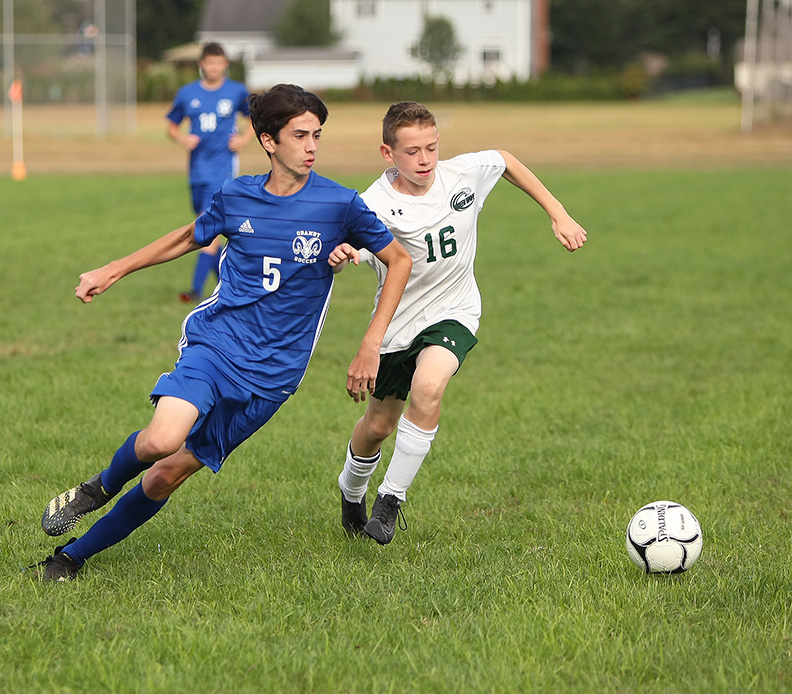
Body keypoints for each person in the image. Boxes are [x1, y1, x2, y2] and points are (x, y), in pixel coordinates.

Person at [31, 84, 412, 581]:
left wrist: (370, 343)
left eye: (317, 134)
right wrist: (113, 269)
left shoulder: (340, 204)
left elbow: (398, 260)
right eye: (300, 135)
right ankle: (98, 487)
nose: (312, 145)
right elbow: (190, 237)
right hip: (218, 345)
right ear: (268, 141)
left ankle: (70, 558)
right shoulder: (236, 196)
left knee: (167, 475)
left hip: (274, 376)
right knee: (160, 441)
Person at [336, 101, 587, 544]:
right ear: (387, 153)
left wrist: (557, 212)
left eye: (431, 147)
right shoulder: (371, 204)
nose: (425, 159)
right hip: (397, 325)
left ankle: (390, 501)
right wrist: (341, 256)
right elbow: (347, 251)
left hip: (455, 312)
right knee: (378, 425)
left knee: (430, 387)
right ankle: (351, 490)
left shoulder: (461, 174)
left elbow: (505, 160)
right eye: (412, 151)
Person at [166, 42, 255, 303]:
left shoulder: (237, 91)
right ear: (202, 65)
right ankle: (230, 287)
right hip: (197, 171)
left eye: (219, 63)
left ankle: (195, 290)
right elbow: (171, 126)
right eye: (209, 63)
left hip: (223, 169)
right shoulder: (187, 93)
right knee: (206, 224)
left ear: (225, 65)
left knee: (209, 228)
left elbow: (254, 119)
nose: (214, 67)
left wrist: (245, 139)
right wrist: (182, 139)